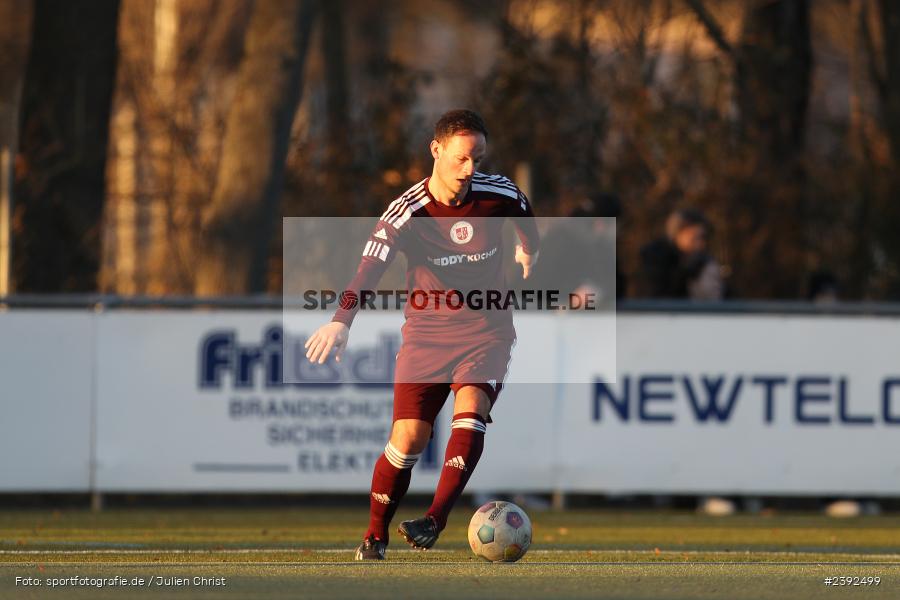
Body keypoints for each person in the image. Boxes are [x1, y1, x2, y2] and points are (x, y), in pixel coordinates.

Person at [303, 109, 540, 560]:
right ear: (436, 150)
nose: (470, 170)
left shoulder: (499, 193)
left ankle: (435, 518)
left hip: (486, 331)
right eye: (462, 158)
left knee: (472, 409)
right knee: (409, 439)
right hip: (427, 337)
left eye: (478, 159)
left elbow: (527, 219)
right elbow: (367, 272)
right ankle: (375, 536)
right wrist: (340, 321)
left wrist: (527, 249)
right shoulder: (406, 213)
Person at [637, 207, 713, 298]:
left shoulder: (700, 259)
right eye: (695, 237)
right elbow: (658, 294)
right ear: (677, 233)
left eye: (703, 238)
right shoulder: (655, 258)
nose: (700, 244)